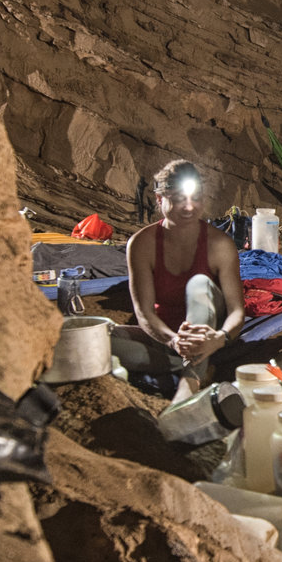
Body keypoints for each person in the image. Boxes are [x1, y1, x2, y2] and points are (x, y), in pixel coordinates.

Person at [118, 159, 246, 394]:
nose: (189, 207)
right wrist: (173, 341)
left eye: (195, 198)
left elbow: (237, 310)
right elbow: (144, 312)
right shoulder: (141, 244)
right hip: (168, 337)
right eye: (178, 199)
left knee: (199, 284)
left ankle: (189, 383)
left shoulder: (219, 245)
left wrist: (219, 338)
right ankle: (186, 366)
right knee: (101, 337)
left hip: (211, 337)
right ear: (159, 200)